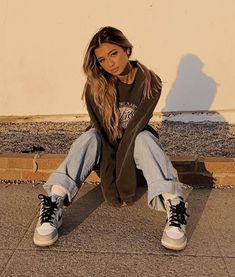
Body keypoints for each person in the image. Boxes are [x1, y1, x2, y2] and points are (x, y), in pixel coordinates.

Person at [33, 26, 189, 251]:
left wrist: (124, 187)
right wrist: (111, 189)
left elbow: (132, 132)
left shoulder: (150, 83)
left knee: (144, 137)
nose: (110, 64)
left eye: (113, 54)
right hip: (103, 147)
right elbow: (105, 138)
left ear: (126, 48)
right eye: (102, 60)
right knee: (90, 137)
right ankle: (54, 201)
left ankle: (174, 203)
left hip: (135, 147)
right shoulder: (96, 85)